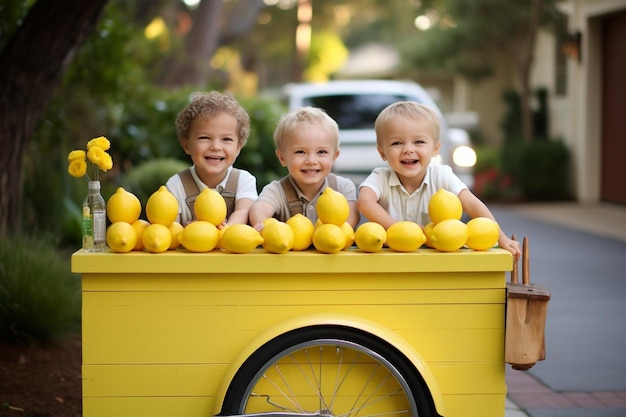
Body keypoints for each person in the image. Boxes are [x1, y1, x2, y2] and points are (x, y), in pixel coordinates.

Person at [357, 101, 520, 260]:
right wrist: (395, 227)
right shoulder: (381, 177)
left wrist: (501, 237)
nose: (408, 149)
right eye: (396, 143)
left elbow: (473, 205)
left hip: (437, 258)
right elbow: (365, 201)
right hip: (393, 258)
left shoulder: (441, 175)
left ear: (435, 149)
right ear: (382, 152)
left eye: (419, 142)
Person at [249, 106, 360, 229]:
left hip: (333, 245)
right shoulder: (277, 190)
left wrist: (339, 234)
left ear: (334, 156)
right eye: (300, 152)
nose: (311, 161)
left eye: (321, 152)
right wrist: (264, 226)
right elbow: (260, 208)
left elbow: (352, 216)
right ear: (282, 158)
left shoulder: (342, 187)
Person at [166, 91, 257, 226]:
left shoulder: (243, 181)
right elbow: (170, 229)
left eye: (226, 139)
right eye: (204, 138)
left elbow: (243, 211)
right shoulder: (176, 186)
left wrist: (225, 231)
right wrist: (192, 229)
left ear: (238, 147)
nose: (215, 147)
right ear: (187, 145)